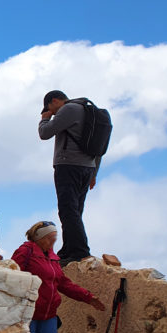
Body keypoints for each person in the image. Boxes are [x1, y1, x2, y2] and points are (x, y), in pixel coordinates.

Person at [12, 221, 105, 333]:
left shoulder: (53, 258)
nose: (53, 241)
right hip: (28, 313)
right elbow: (12, 276)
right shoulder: (25, 252)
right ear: (40, 238)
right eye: (50, 238)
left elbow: (63, 283)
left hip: (49, 315)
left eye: (55, 238)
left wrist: (88, 297)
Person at [38, 90, 102, 265]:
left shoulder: (68, 109)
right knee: (75, 211)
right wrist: (94, 173)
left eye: (50, 108)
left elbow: (45, 133)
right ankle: (68, 249)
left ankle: (79, 252)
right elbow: (98, 147)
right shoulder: (88, 110)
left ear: (55, 101)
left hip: (68, 165)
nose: (51, 112)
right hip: (87, 167)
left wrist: (45, 118)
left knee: (67, 210)